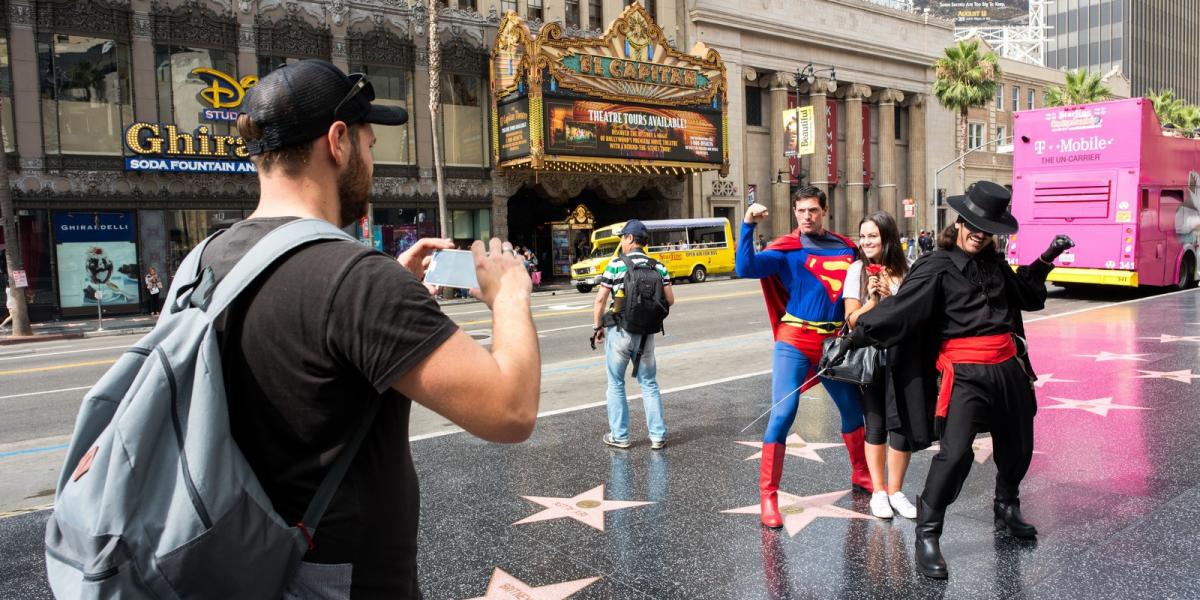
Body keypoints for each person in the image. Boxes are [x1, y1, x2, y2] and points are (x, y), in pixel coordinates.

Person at [207, 60, 540, 598]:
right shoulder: (355, 281)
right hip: (340, 582)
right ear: (337, 141)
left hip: (238, 565)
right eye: (368, 141)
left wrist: (384, 286)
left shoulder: (206, 260)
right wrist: (510, 296)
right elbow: (510, 410)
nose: (372, 156)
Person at [840, 181, 1074, 579]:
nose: (977, 234)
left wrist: (1048, 257)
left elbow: (1028, 297)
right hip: (963, 374)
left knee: (1018, 445)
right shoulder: (937, 265)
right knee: (955, 455)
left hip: (1008, 368)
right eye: (972, 225)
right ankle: (928, 534)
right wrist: (855, 335)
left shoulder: (994, 265)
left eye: (987, 229)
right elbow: (901, 309)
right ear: (961, 221)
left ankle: (1006, 508)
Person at [735, 186, 871, 530]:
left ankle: (861, 472)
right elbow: (745, 267)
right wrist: (748, 225)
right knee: (782, 413)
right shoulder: (786, 249)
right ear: (794, 212)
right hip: (794, 340)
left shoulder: (847, 247)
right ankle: (768, 495)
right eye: (800, 211)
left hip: (833, 345)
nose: (806, 216)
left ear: (823, 210)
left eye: (812, 210)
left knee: (853, 411)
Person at [843, 211, 916, 520]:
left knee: (903, 425)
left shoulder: (908, 270)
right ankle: (878, 491)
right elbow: (852, 320)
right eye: (863, 236)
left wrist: (893, 296)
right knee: (875, 423)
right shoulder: (856, 270)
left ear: (887, 237)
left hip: (904, 356)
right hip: (871, 359)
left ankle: (896, 491)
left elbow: (914, 315)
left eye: (873, 235)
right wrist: (874, 301)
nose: (867, 241)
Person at [591, 219, 675, 450]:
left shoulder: (616, 264)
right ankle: (657, 436)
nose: (621, 241)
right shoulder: (658, 265)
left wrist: (597, 327)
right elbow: (670, 300)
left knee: (616, 383)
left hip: (620, 332)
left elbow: (600, 299)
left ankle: (621, 436)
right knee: (649, 383)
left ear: (629, 238)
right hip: (647, 333)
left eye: (622, 237)